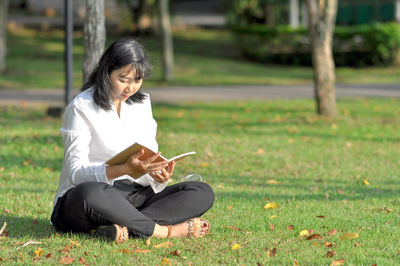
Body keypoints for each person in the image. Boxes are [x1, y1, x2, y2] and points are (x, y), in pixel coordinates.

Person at [50, 37, 214, 242]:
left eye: (137, 80)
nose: (130, 88)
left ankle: (114, 228)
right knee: (90, 193)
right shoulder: (81, 108)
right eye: (123, 79)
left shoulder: (142, 104)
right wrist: (123, 169)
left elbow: (148, 154)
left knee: (201, 191)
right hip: (91, 198)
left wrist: (158, 176)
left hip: (134, 196)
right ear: (106, 71)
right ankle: (163, 231)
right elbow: (75, 174)